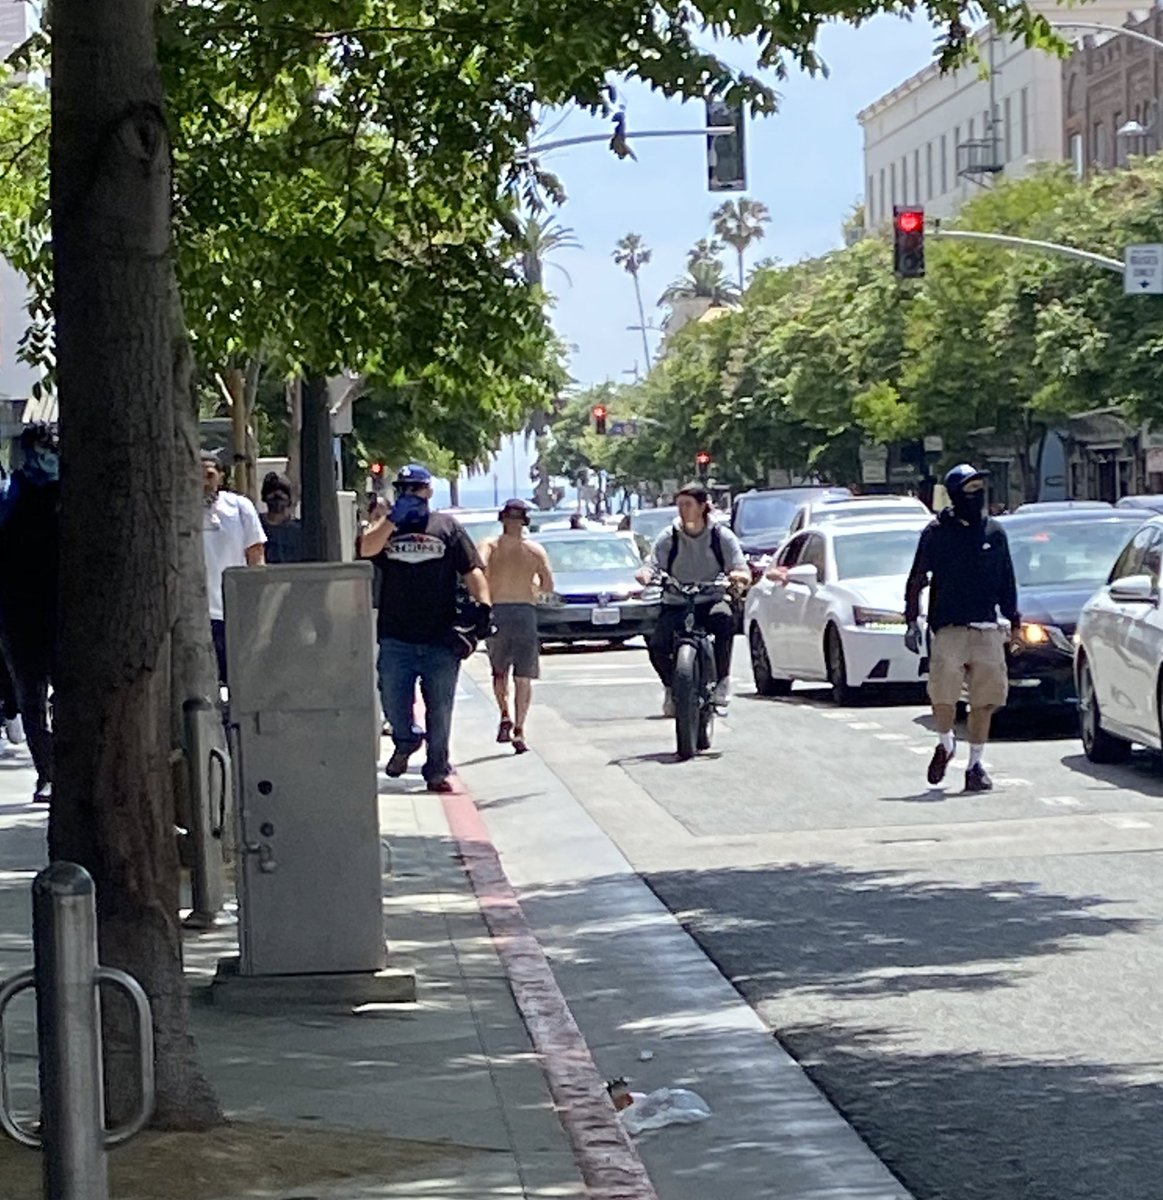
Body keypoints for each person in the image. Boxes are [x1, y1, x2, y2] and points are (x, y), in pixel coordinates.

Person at [359, 463, 491, 793]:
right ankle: (406, 740)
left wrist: (485, 607)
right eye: (403, 489)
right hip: (396, 636)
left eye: (415, 489)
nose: (410, 495)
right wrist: (391, 520)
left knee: (441, 709)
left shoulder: (446, 527)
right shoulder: (387, 529)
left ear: (428, 491)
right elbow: (365, 549)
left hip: (440, 636)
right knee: (392, 699)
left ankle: (436, 770)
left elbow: (472, 569)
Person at [904, 463, 1019, 793]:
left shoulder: (994, 533)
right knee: (943, 694)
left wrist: (1014, 621)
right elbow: (917, 578)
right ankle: (945, 742)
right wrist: (911, 619)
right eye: (970, 489)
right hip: (949, 628)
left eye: (980, 488)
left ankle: (975, 764)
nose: (977, 495)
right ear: (955, 494)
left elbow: (1006, 580)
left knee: (985, 700)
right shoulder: (936, 533)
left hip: (986, 628)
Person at [639, 481, 749, 716]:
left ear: (702, 507)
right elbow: (653, 563)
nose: (683, 509)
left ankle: (722, 681)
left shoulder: (721, 536)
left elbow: (741, 568)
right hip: (676, 601)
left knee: (724, 621)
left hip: (710, 599)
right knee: (657, 645)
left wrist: (738, 576)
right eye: (679, 505)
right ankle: (671, 687)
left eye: (688, 504)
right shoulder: (669, 536)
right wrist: (646, 574)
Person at [0, 424, 59, 801]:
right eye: (40, 450)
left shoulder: (73, 493)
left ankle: (66, 766)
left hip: (65, 610)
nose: (46, 456)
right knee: (30, 699)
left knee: (70, 694)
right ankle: (47, 772)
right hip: (16, 612)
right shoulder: (11, 495)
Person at [479, 499, 554, 754]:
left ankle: (504, 714)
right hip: (524, 611)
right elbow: (548, 585)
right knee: (524, 676)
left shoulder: (490, 545)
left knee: (499, 670)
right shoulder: (534, 550)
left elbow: (478, 567)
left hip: (498, 610)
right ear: (525, 521)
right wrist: (532, 587)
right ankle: (520, 728)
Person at [202, 452, 266, 686]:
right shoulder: (181, 511)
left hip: (233, 613)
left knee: (237, 680)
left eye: (208, 475)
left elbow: (256, 555)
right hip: (197, 615)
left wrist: (256, 604)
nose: (203, 482)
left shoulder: (240, 507)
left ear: (220, 476)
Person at [260, 472, 306, 563]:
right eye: (271, 490)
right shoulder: (256, 526)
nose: (277, 494)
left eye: (283, 491)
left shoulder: (300, 530)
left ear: (290, 498)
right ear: (264, 496)